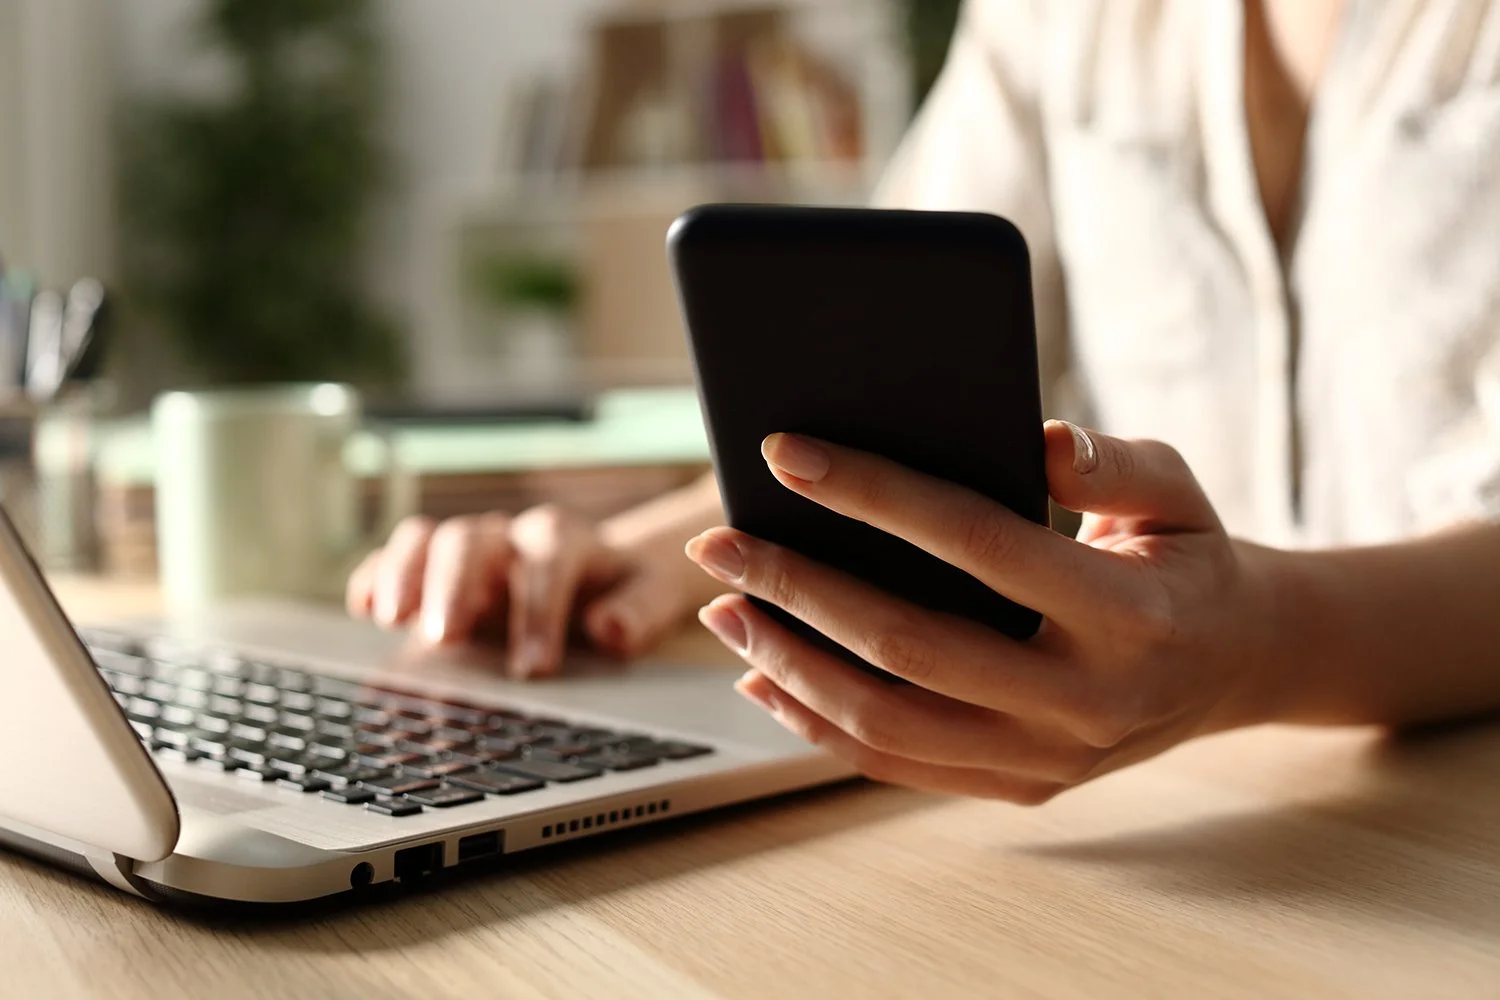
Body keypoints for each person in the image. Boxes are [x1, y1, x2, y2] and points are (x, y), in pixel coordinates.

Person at [348, 0, 1500, 803]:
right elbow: (880, 367)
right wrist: (639, 555)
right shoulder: (1053, 15)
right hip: (1195, 792)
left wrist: (1259, 644)